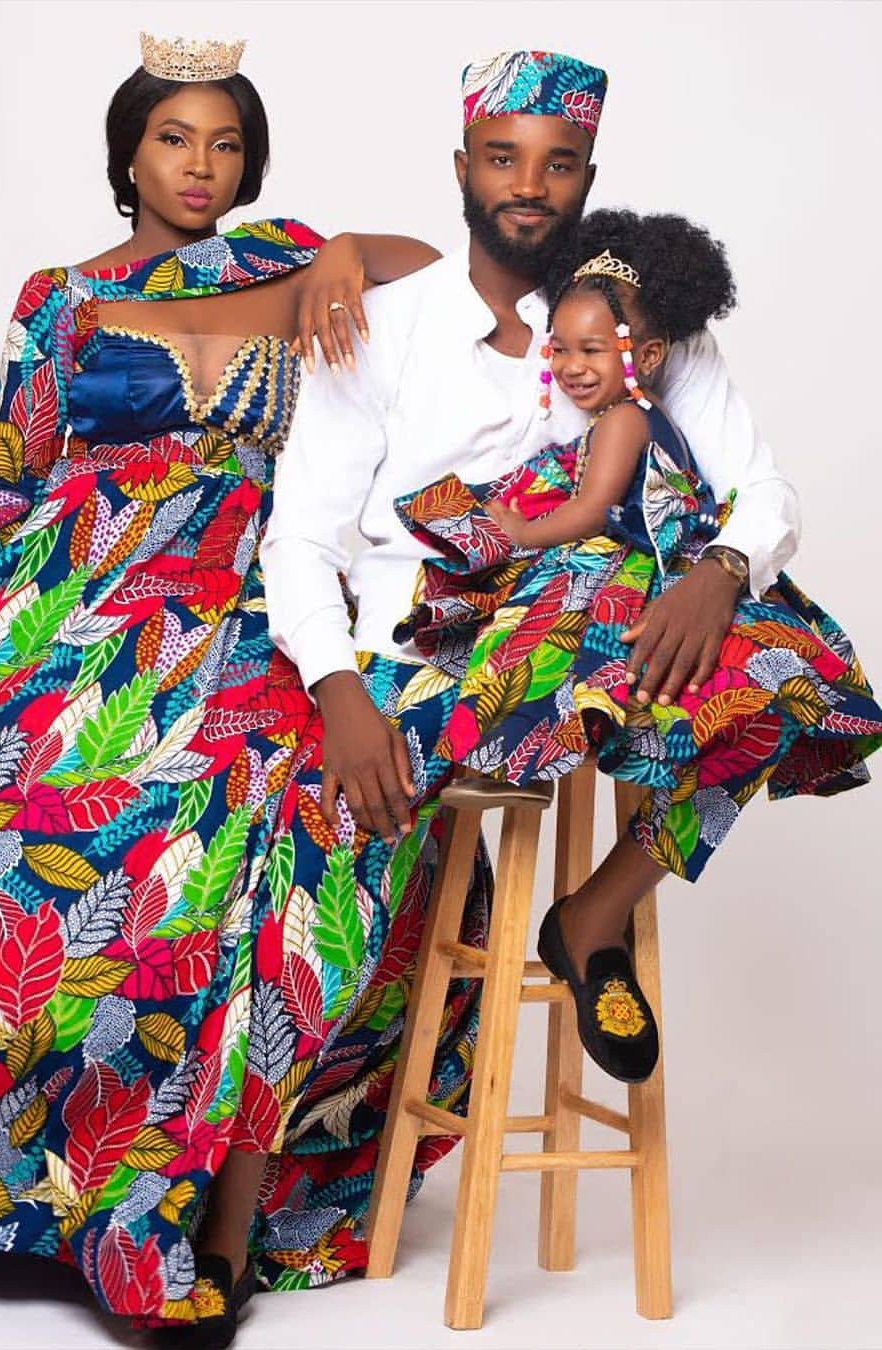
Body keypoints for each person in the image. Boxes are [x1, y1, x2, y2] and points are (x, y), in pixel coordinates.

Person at [0, 33, 462, 1348]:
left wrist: (342, 251)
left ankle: (184, 1199)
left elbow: (430, 267)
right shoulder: (60, 299)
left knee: (222, 834)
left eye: (225, 144)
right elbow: (3, 481)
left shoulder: (288, 264)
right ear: (129, 154)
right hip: (59, 598)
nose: (200, 165)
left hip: (236, 606)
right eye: (174, 139)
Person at [261, 47, 815, 1096]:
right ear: (462, 167)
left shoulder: (645, 325)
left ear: (587, 181)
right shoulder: (384, 324)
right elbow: (300, 539)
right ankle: (272, 1135)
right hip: (422, 654)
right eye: (503, 158)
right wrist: (336, 688)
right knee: (316, 913)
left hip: (593, 642)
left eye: (558, 164)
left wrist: (724, 569)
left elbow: (765, 487)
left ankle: (594, 916)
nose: (528, 185)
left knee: (785, 675)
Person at [390, 208, 882, 1080]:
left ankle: (593, 915)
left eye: (593, 349)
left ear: (647, 354)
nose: (571, 364)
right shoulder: (546, 381)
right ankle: (528, 838)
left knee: (770, 698)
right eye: (562, 348)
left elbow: (636, 507)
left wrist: (515, 530)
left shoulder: (636, 402)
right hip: (585, 603)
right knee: (623, 690)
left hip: (654, 582)